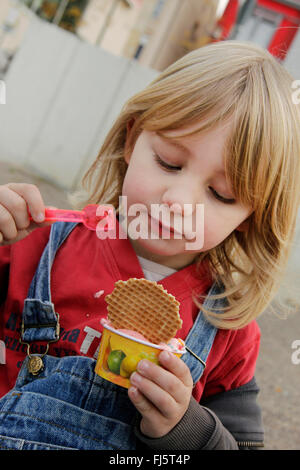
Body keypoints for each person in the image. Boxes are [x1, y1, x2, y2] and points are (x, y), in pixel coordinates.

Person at [0, 40, 299, 450]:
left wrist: (186, 428)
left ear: (250, 219)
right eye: (169, 163)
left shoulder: (228, 330)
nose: (179, 201)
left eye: (221, 194)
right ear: (131, 139)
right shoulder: (32, 247)